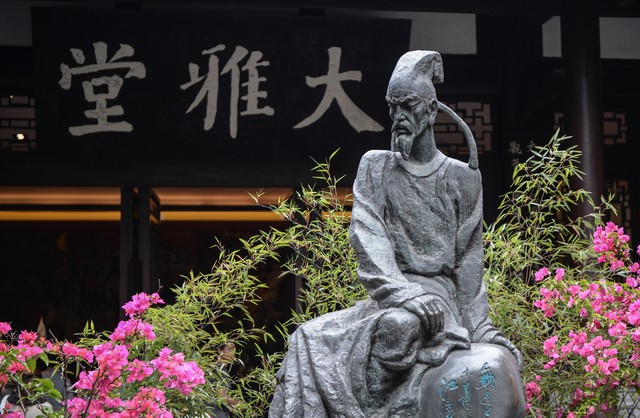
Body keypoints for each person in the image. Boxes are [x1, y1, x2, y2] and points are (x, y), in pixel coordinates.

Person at [269, 51, 523, 418]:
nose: (399, 116)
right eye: (393, 107)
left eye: (408, 106)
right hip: (391, 293)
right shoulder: (376, 166)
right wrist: (403, 293)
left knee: (401, 327)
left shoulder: (463, 177)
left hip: (439, 301)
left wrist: (481, 327)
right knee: (309, 337)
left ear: (431, 111)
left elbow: (469, 259)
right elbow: (367, 235)